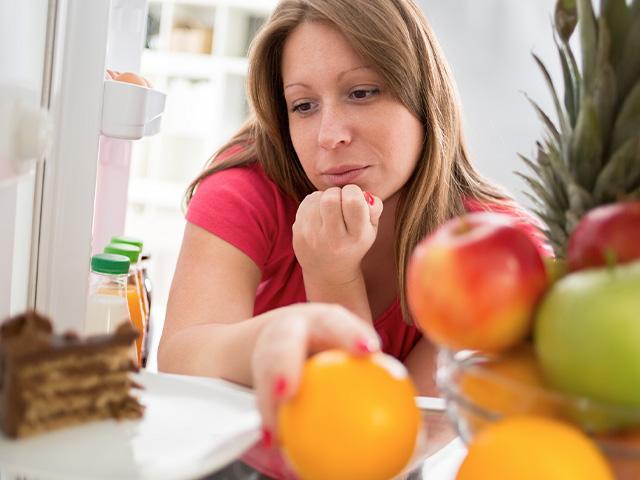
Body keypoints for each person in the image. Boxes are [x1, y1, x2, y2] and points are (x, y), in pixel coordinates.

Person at [158, 0, 547, 477]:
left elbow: (382, 448)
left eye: (362, 92)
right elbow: (180, 358)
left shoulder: (497, 253)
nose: (329, 135)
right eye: (303, 105)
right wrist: (265, 341)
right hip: (233, 457)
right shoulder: (247, 185)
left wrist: (332, 275)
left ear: (423, 94)